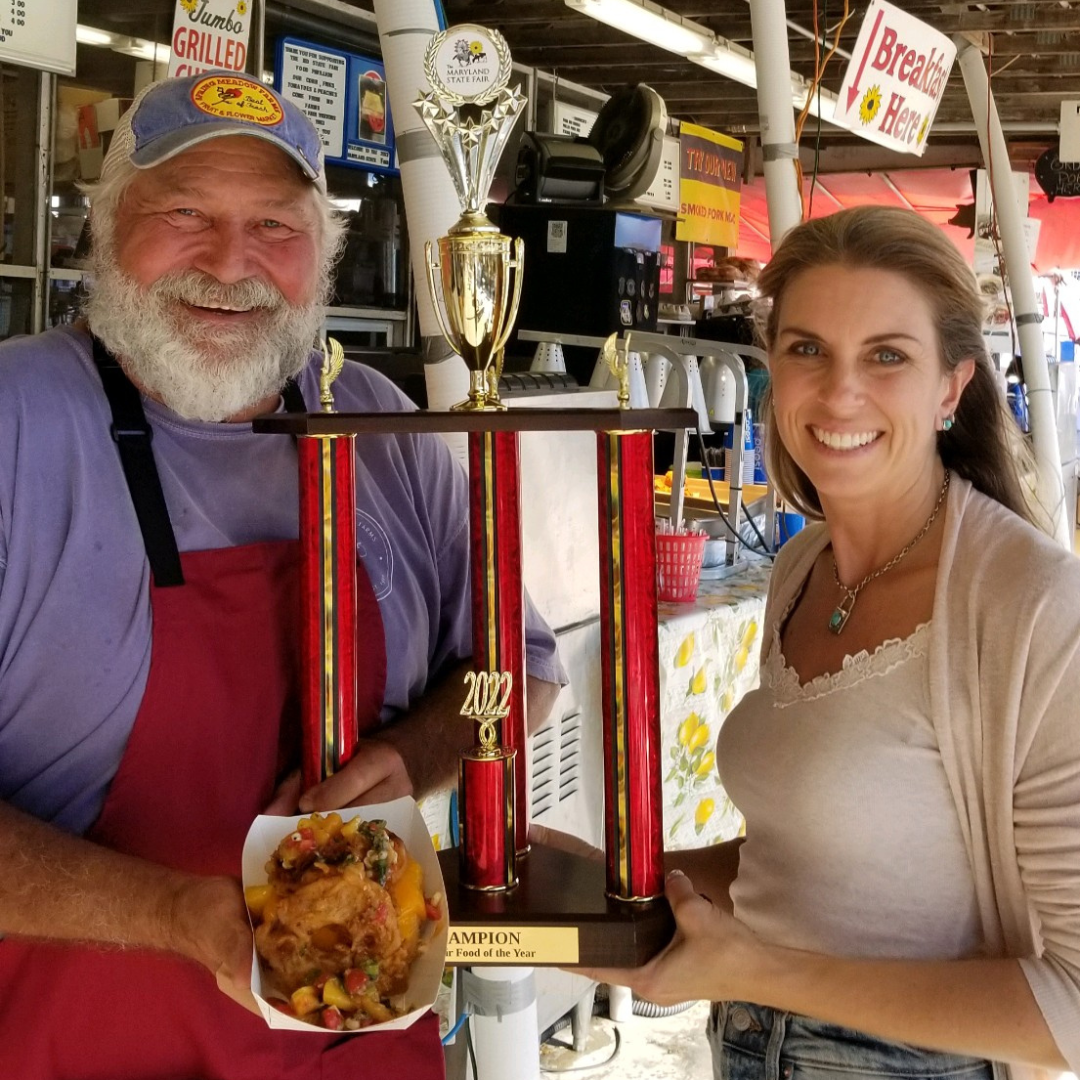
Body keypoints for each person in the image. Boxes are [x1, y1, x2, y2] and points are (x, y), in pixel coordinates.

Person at [0, 71, 565, 1078]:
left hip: (351, 1043)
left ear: (326, 256)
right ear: (104, 229)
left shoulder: (382, 426)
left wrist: (417, 754)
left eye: (274, 223)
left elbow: (521, 671)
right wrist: (173, 913)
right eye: (184, 213)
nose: (229, 262)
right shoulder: (14, 423)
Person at [581, 206, 1080, 1079]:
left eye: (887, 355)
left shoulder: (1033, 609)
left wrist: (754, 968)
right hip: (750, 1044)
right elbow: (813, 863)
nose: (840, 392)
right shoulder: (804, 563)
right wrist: (611, 881)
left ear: (950, 387)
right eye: (807, 349)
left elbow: (1072, 1009)